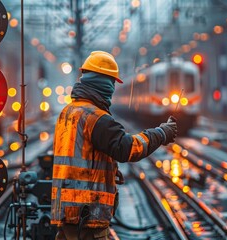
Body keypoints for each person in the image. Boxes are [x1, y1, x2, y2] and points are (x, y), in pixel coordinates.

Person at [51, 51, 177, 240]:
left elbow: (82, 154)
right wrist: (161, 133)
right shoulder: (96, 118)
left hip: (67, 211)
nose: (112, 89)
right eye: (111, 83)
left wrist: (107, 169)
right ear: (104, 82)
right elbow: (127, 148)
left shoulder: (68, 112)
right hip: (87, 215)